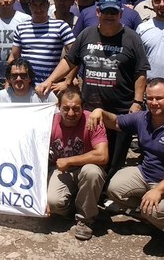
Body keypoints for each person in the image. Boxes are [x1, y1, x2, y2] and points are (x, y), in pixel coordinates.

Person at [37, 0, 149, 194]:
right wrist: (49, 81)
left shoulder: (132, 38)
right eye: (105, 11)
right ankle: (87, 195)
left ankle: (108, 196)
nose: (109, 15)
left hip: (120, 110)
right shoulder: (87, 34)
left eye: (114, 12)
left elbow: (141, 72)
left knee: (114, 158)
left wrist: (138, 101)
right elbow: (70, 61)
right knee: (91, 155)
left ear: (120, 14)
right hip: (89, 109)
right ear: (98, 12)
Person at [90, 78, 164, 249]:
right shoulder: (143, 118)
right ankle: (149, 218)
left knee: (158, 210)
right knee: (115, 188)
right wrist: (100, 112)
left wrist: (158, 190)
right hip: (147, 174)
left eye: (159, 98)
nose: (154, 102)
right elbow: (117, 122)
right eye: (149, 98)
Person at [48, 86, 108, 241]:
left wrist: (69, 160)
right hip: (62, 171)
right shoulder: (50, 122)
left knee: (92, 172)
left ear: (83, 107)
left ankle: (85, 219)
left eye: (76, 109)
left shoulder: (92, 121)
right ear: (58, 107)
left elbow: (102, 155)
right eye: (66, 108)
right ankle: (73, 207)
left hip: (85, 168)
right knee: (53, 203)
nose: (71, 113)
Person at [9, 0, 75, 84]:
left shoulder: (61, 26)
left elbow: (75, 54)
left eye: (42, 4)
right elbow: (15, 56)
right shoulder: (21, 28)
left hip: (51, 85)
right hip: (27, 86)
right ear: (29, 6)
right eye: (35, 5)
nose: (38, 9)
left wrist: (68, 81)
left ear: (48, 5)